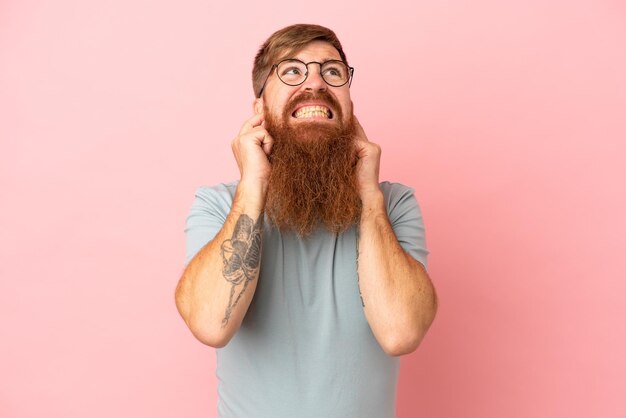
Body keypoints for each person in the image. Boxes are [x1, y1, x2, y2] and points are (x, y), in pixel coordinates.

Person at [174, 23, 438, 418]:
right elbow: (212, 324)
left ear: (349, 107)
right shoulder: (218, 204)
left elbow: (400, 333)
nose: (315, 83)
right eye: (292, 71)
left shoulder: (393, 204)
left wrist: (369, 194)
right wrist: (254, 182)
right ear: (259, 108)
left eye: (332, 71)